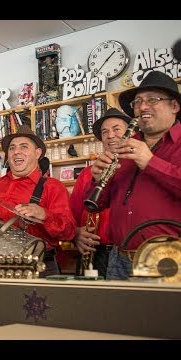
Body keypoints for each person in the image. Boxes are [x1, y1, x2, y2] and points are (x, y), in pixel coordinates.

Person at [84, 71, 181, 280]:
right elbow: (96, 204)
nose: (143, 107)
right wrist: (98, 180)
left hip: (167, 258)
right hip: (118, 258)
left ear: (174, 107)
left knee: (163, 314)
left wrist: (150, 162)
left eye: (153, 99)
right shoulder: (124, 145)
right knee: (115, 314)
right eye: (138, 101)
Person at [0, 125, 76, 277]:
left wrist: (44, 214)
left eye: (24, 147)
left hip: (39, 266)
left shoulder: (53, 187)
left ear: (37, 153)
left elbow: (68, 232)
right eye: (12, 148)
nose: (16, 152)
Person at [70, 108, 130, 278]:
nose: (110, 135)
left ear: (130, 133)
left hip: (127, 254)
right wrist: (76, 234)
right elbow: (72, 213)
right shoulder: (87, 173)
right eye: (105, 132)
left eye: (116, 129)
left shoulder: (138, 168)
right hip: (93, 253)